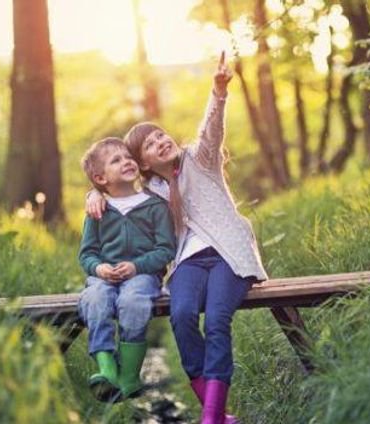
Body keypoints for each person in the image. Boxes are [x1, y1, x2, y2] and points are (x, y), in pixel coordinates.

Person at [87, 53, 267, 424]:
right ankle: (216, 413)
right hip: (187, 262)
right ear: (144, 163)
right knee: (182, 316)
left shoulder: (199, 160)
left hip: (228, 256)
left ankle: (212, 416)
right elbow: (118, 193)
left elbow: (211, 130)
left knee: (217, 318)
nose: (160, 141)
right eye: (150, 145)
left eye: (160, 135)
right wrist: (94, 195)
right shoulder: (150, 194)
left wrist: (218, 91)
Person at [78, 137, 177, 402]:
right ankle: (107, 369)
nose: (127, 161)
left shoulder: (155, 206)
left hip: (143, 275)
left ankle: (130, 375)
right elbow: (87, 253)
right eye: (116, 160)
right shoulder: (97, 210)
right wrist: (98, 269)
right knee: (95, 298)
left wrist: (137, 266)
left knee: (132, 301)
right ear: (100, 178)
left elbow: (166, 249)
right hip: (104, 277)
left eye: (127, 156)